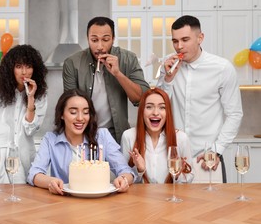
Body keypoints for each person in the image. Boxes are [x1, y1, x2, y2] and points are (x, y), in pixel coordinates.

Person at [156, 15, 243, 183]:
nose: (179, 46)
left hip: (207, 157)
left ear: (200, 38)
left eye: (185, 39)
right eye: (175, 41)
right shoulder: (168, 65)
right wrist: (167, 79)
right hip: (175, 157)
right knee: (171, 207)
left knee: (211, 207)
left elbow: (235, 114)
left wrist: (217, 150)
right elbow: (159, 106)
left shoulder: (222, 68)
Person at [27, 89, 137, 195]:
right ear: (61, 114)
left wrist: (123, 180)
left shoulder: (102, 136)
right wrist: (50, 182)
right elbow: (34, 174)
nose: (80, 118)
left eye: (85, 112)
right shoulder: (50, 139)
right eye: (73, 112)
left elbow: (126, 171)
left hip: (99, 203)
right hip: (63, 202)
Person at [63, 16, 150, 143]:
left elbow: (142, 98)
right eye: (94, 40)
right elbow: (69, 105)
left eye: (105, 39)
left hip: (117, 136)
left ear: (113, 39)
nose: (100, 46)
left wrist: (118, 74)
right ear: (87, 39)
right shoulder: (72, 63)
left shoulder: (128, 58)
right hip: (83, 134)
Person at [0, 44, 48, 180]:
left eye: (28, 66)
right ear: (11, 69)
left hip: (25, 157)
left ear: (35, 69)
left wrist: (30, 98)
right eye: (18, 66)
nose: (24, 72)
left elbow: (30, 130)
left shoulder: (40, 95)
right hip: (0, 154)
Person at [121, 88, 194, 184]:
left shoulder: (181, 138)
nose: (155, 112)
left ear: (167, 112)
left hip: (170, 197)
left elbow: (190, 177)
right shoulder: (128, 136)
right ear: (142, 111)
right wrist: (139, 170)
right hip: (139, 198)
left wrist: (178, 175)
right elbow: (124, 177)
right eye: (149, 107)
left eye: (162, 107)